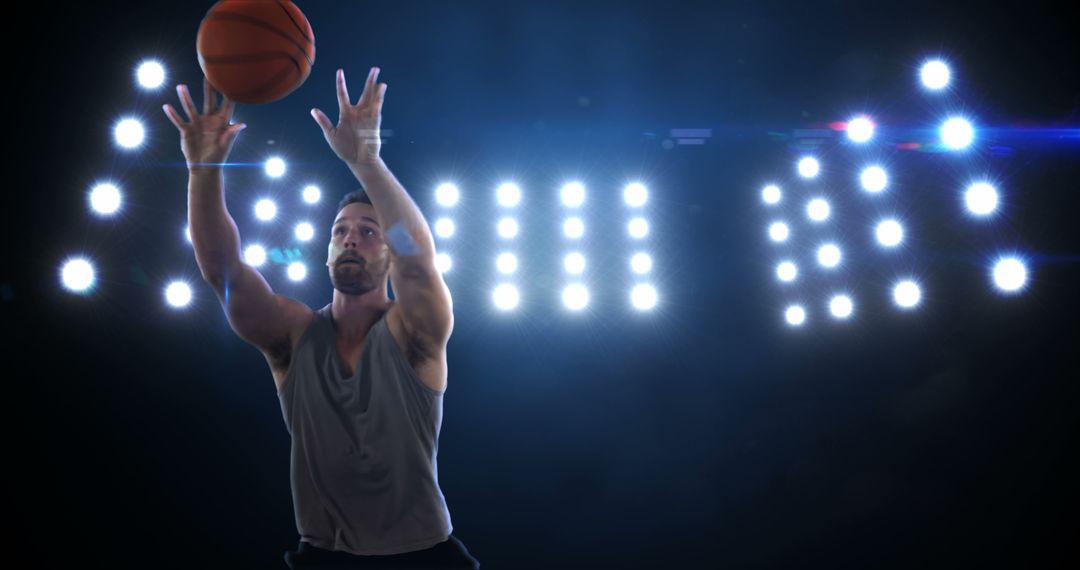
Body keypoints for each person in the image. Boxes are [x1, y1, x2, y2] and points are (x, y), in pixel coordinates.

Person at [163, 67, 480, 569]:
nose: (351, 238)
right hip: (324, 556)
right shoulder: (293, 334)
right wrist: (203, 172)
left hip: (424, 556)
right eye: (340, 231)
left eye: (369, 231)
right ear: (326, 252)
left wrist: (367, 164)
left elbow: (417, 264)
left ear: (388, 256)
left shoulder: (414, 332)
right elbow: (221, 269)